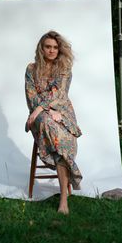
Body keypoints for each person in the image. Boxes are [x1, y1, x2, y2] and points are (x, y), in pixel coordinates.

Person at [25, 30, 82, 214]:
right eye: (48, 46)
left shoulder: (64, 69)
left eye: (55, 47)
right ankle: (64, 197)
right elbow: (31, 98)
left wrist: (44, 109)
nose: (51, 50)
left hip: (62, 114)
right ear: (41, 48)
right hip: (40, 119)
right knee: (50, 125)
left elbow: (59, 94)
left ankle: (63, 198)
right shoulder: (31, 69)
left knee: (57, 135)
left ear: (59, 49)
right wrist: (44, 111)